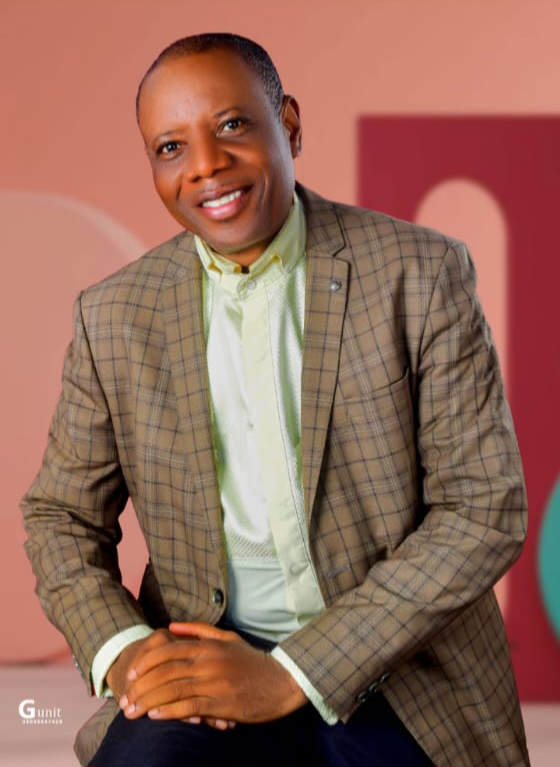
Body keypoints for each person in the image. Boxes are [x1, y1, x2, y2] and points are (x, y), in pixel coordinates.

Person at [21, 32, 531, 767]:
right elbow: (60, 516)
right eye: (170, 147)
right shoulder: (113, 316)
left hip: (398, 664)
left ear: (288, 125)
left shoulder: (419, 275)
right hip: (203, 657)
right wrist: (127, 653)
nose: (205, 165)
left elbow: (483, 508)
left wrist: (292, 672)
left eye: (232, 125)